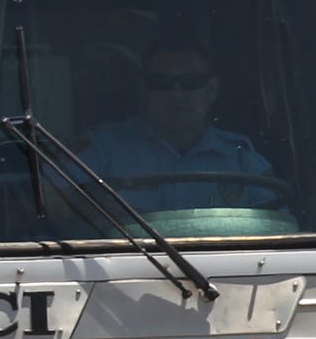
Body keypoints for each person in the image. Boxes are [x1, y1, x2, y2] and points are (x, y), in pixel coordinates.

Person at [78, 41, 277, 213]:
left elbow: (275, 229)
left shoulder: (242, 160)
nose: (177, 94)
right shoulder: (103, 149)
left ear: (212, 90)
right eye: (161, 83)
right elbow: (61, 200)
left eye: (191, 82)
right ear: (143, 90)